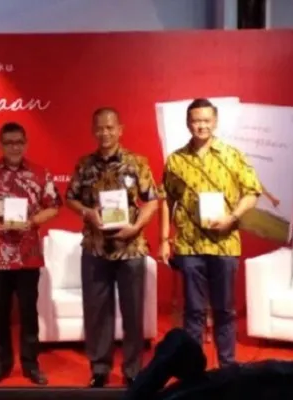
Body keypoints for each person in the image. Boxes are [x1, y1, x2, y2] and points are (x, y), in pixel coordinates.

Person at [159, 98, 262, 368]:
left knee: (225, 310)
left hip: (225, 244)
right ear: (187, 123)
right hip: (190, 245)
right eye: (195, 121)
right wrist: (163, 239)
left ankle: (227, 369)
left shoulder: (232, 155)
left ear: (215, 122)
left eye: (206, 120)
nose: (201, 126)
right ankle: (195, 371)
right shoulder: (176, 160)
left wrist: (232, 217)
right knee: (192, 310)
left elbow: (252, 193)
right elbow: (166, 200)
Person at [66, 108, 159, 387]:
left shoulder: (136, 163)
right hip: (95, 249)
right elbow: (70, 198)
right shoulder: (84, 165)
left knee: (133, 313)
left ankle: (132, 371)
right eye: (99, 128)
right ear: (93, 131)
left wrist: (137, 226)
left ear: (120, 129)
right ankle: (100, 369)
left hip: (130, 248)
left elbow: (153, 199)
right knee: (97, 312)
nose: (105, 133)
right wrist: (87, 213)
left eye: (110, 128)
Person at [0, 122, 62, 386]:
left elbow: (54, 206)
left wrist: (32, 222)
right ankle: (1, 364)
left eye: (19, 142)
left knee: (29, 313)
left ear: (26, 143)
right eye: (8, 142)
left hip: (28, 255)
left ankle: (31, 365)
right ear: (0, 145)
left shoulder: (41, 173)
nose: (14, 147)